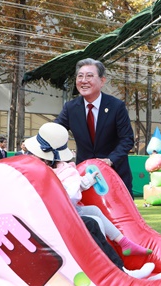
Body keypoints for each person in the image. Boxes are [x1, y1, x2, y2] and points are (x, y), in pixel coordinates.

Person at [25, 122, 154, 278]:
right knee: (93, 222)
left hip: (56, 216)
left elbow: (71, 193)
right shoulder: (32, 168)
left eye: (36, 155)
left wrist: (87, 180)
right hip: (45, 219)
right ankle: (119, 270)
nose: (32, 157)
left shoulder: (63, 171)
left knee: (94, 213)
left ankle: (120, 260)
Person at [55, 58, 135, 197]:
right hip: (84, 178)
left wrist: (110, 160)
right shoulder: (70, 108)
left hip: (115, 176)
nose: (84, 80)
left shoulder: (116, 106)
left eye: (89, 76)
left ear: (102, 81)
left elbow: (127, 139)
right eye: (80, 76)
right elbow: (54, 131)